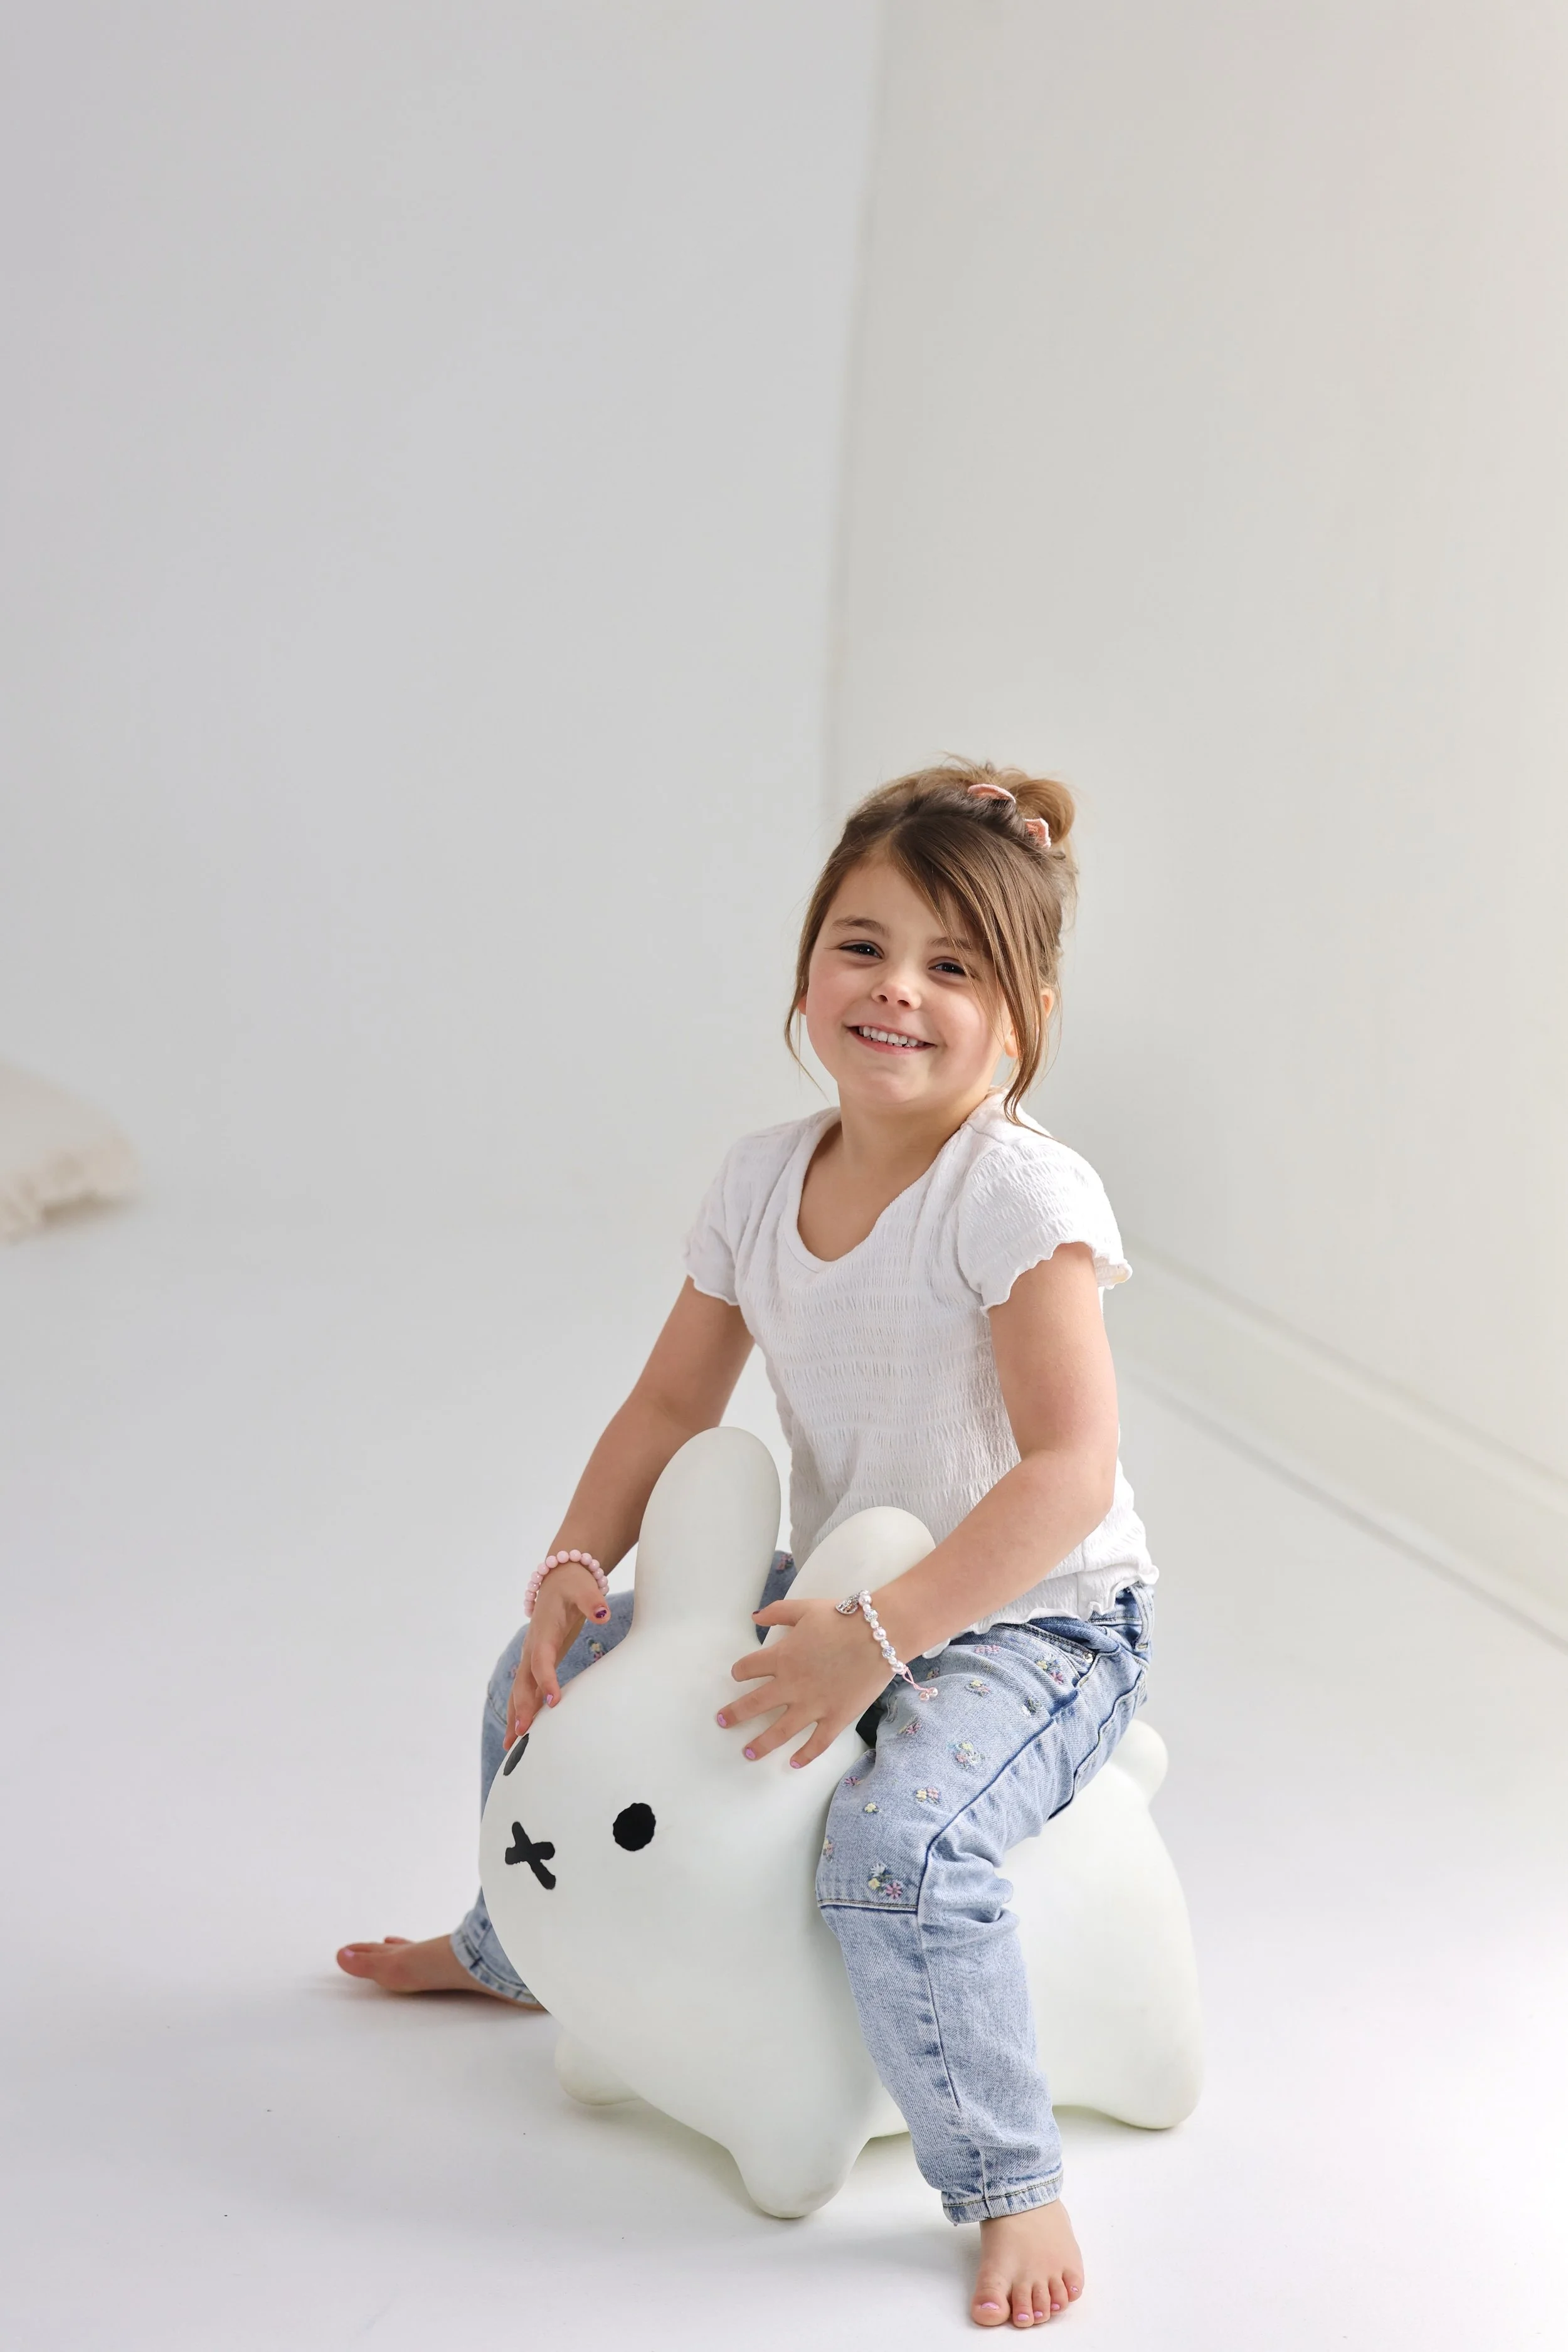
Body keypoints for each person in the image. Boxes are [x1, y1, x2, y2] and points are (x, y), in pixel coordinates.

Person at [339, 760, 1156, 2330]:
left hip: (1034, 1620)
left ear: (1025, 1006)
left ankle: (1008, 2175)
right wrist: (578, 1562)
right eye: (861, 944)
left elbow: (1067, 1472)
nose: (894, 992)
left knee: (894, 1849)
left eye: (951, 966)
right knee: (542, 1666)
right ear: (805, 962)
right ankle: (515, 1945)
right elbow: (666, 1403)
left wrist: (886, 1637)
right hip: (844, 1570)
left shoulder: (1016, 1194)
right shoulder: (761, 1177)